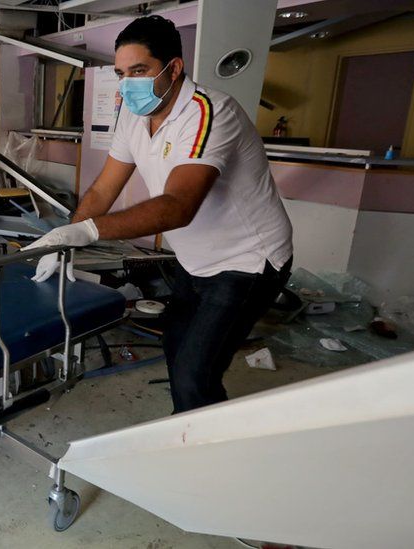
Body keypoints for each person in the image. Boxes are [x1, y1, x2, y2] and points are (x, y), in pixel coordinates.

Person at [24, 15, 293, 413]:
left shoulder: (209, 113)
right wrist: (68, 236)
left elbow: (178, 207)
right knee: (175, 346)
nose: (128, 83)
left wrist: (89, 233)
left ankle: (202, 455)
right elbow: (103, 188)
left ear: (174, 68)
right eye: (121, 73)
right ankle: (188, 427)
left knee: (193, 374)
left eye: (139, 71)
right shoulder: (134, 116)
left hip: (248, 262)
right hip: (194, 259)